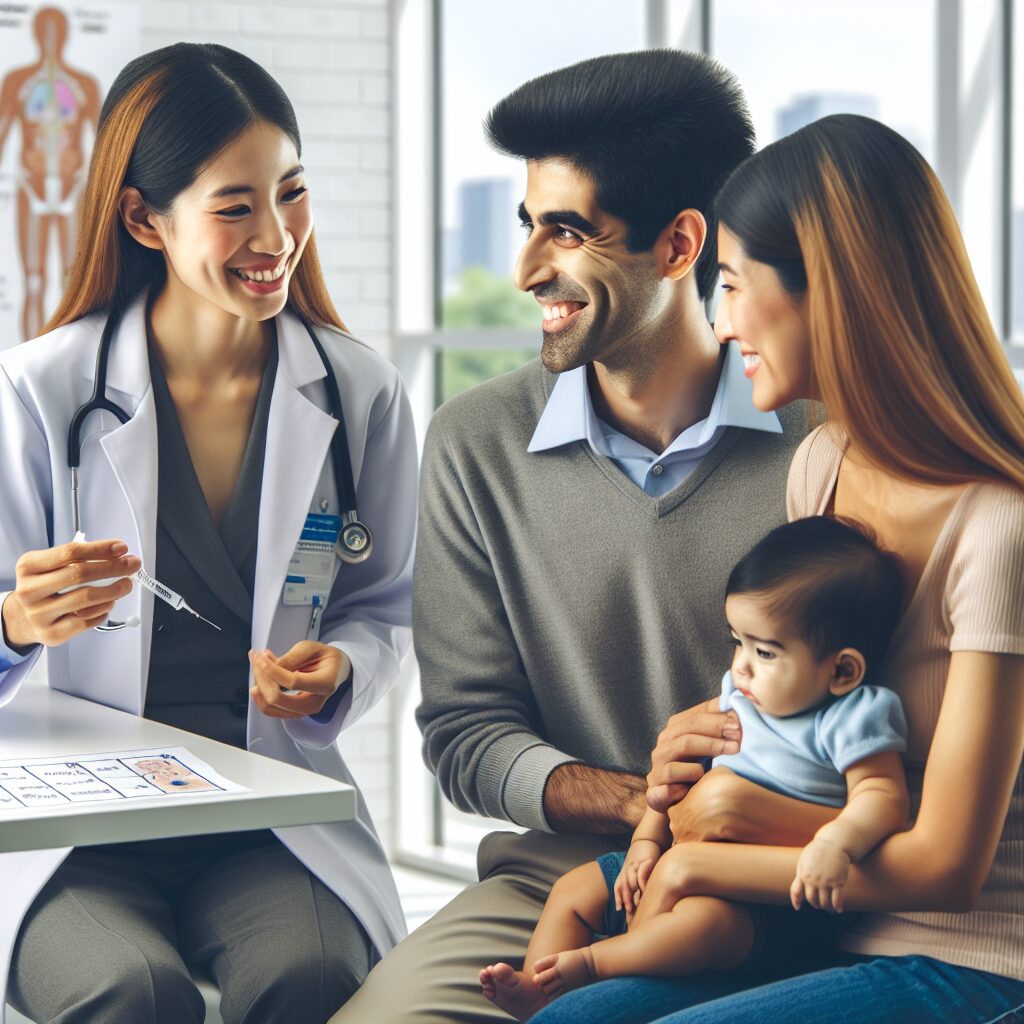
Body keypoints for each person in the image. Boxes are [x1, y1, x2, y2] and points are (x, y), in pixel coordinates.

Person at [331, 49, 809, 1024]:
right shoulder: (475, 441)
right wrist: (645, 805)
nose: (524, 270)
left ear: (680, 245)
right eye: (526, 224)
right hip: (547, 887)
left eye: (566, 231)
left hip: (784, 885)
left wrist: (715, 830)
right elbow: (466, 737)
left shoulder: (823, 440)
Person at [534, 114, 1024, 1024]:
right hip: (817, 917)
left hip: (972, 957)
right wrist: (711, 754)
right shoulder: (823, 466)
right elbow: (825, 734)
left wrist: (705, 849)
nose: (719, 326)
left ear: (830, 293)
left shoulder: (1000, 529)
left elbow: (952, 866)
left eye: (729, 284)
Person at [0, 43, 417, 1024]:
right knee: (128, 992)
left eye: (293, 191)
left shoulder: (358, 395)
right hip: (72, 829)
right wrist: (17, 623)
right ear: (144, 217)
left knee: (312, 981)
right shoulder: (39, 393)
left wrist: (341, 670)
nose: (278, 234)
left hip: (265, 817)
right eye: (236, 205)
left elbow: (387, 604)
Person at [481, 516, 909, 1020]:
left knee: (701, 927)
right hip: (674, 861)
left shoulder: (853, 716)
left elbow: (883, 796)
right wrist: (644, 842)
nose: (741, 665)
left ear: (842, 671)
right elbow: (679, 780)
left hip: (766, 906)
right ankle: (537, 989)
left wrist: (836, 844)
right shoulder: (741, 697)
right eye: (738, 641)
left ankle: (593, 966)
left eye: (765, 651)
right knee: (573, 890)